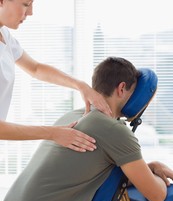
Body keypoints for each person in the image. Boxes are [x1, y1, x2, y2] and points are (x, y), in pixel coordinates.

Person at [0, 56, 173, 201]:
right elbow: (157, 196)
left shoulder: (73, 115)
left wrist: (147, 166)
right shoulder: (115, 130)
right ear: (122, 88)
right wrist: (161, 172)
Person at [0, 0, 112, 152]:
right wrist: (53, 133)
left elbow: (36, 68)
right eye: (26, 4)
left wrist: (81, 85)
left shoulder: (4, 35)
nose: (31, 12)